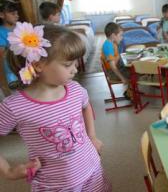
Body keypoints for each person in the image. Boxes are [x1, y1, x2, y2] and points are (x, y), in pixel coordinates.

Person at [0, 22, 111, 191]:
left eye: (75, 63)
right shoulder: (15, 106)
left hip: (93, 170)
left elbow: (86, 106)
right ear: (38, 65)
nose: (75, 70)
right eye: (68, 65)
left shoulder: (75, 89)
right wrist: (8, 171)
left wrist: (92, 136)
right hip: (56, 185)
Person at [101, 22, 131, 98]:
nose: (122, 38)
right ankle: (130, 93)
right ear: (113, 35)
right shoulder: (109, 47)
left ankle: (129, 91)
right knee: (133, 73)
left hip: (117, 68)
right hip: (112, 73)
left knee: (131, 69)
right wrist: (122, 78)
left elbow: (116, 58)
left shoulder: (111, 43)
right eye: (120, 35)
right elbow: (113, 67)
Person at [0, 0, 19, 95]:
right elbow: (2, 56)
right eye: (12, 14)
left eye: (17, 13)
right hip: (10, 71)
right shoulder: (1, 32)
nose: (17, 16)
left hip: (25, 68)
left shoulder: (21, 27)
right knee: (15, 94)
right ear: (2, 15)